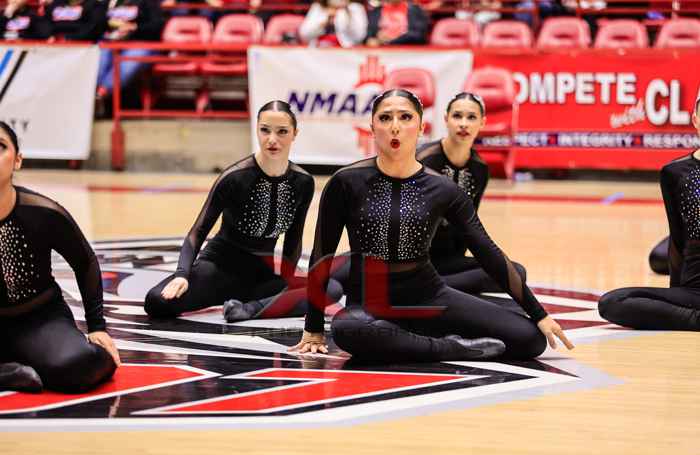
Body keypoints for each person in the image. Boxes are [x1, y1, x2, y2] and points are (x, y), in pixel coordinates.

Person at [290, 89, 573, 362]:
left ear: (421, 127)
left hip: (429, 294)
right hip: (370, 303)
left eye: (405, 117)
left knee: (530, 339)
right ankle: (448, 347)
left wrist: (538, 313)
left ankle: (412, 339)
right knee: (347, 329)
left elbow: (486, 250)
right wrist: (313, 327)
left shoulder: (444, 188)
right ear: (373, 128)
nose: (395, 127)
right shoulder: (345, 182)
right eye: (385, 118)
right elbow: (323, 254)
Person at [144, 101, 342, 321]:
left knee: (331, 289)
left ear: (295, 134)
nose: (272, 139)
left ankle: (248, 309)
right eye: (265, 130)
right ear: (257, 129)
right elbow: (197, 232)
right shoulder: (234, 177)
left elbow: (293, 239)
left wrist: (289, 281)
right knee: (156, 301)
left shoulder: (303, 182)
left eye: (282, 131)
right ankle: (245, 303)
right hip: (217, 272)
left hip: (260, 278)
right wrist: (182, 274)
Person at [0, 122, 120, 393]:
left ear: (18, 160)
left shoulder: (44, 212)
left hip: (39, 319)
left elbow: (85, 261)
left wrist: (97, 326)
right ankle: (7, 374)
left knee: (80, 367)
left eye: (0, 146)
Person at [598, 99, 700, 331]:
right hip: (694, 291)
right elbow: (677, 241)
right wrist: (675, 294)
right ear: (695, 120)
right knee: (612, 302)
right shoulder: (675, 172)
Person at [417, 92, 528, 295]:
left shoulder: (479, 169)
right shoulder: (424, 160)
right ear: (446, 119)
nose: (463, 124)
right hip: (415, 258)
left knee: (516, 273)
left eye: (471, 117)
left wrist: (495, 262)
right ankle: (420, 284)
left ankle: (430, 287)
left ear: (482, 122)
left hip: (450, 261)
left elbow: (470, 228)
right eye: (457, 116)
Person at [95, 0, 164, 105]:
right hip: (111, 42)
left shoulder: (148, 3)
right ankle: (93, 93)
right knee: (100, 57)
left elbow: (157, 25)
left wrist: (134, 27)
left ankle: (101, 94)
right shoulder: (109, 3)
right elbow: (96, 23)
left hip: (142, 43)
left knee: (128, 61)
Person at [299, 0, 368, 48]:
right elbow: (304, 34)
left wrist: (348, 14)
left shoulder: (355, 8)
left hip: (345, 53)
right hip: (318, 52)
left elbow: (359, 36)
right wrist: (325, 21)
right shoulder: (318, 8)